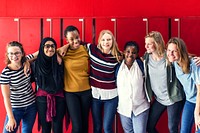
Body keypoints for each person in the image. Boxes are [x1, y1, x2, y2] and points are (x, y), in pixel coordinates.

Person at [59, 26, 121, 133]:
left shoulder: (116, 56)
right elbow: (45, 53)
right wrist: (26, 60)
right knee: (81, 127)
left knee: (94, 126)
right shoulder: (67, 51)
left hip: (95, 93)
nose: (106, 42)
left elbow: (129, 57)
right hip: (81, 94)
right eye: (103, 39)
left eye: (109, 39)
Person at [143, 31, 185, 133]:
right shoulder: (147, 57)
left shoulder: (169, 56)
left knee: (172, 128)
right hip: (159, 99)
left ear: (157, 43)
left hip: (173, 98)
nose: (146, 46)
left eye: (149, 44)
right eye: (146, 43)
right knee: (149, 126)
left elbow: (184, 59)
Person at [60, 25, 92, 133]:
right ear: (67, 40)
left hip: (86, 91)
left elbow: (104, 51)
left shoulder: (86, 49)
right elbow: (43, 53)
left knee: (84, 124)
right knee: (77, 126)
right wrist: (26, 61)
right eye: (71, 39)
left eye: (77, 37)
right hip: (70, 93)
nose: (75, 41)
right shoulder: (63, 52)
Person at [0, 41, 37, 133]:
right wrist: (11, 118)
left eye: (17, 53)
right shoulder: (5, 73)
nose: (14, 56)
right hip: (15, 109)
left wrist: (27, 61)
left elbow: (42, 51)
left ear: (22, 53)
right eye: (11, 53)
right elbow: (6, 97)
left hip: (31, 106)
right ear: (7, 55)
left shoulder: (25, 61)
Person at [32, 37, 66, 133]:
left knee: (58, 128)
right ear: (42, 48)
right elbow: (22, 60)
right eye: (47, 46)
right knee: (45, 128)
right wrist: (26, 62)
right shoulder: (35, 64)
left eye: (52, 46)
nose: (50, 49)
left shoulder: (59, 61)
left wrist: (58, 53)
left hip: (59, 98)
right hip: (42, 99)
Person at [166, 37, 200, 133]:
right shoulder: (175, 63)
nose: (170, 54)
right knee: (184, 131)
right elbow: (158, 52)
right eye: (169, 50)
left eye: (174, 51)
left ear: (181, 51)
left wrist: (197, 113)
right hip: (190, 101)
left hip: (199, 100)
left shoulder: (193, 64)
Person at [116, 41, 150, 133]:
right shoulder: (118, 67)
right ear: (123, 52)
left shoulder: (141, 65)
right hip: (124, 109)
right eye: (128, 51)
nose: (130, 55)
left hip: (140, 107)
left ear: (137, 54)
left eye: (133, 52)